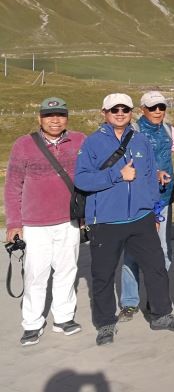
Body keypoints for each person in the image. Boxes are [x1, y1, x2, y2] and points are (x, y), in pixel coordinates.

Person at [74, 93, 174, 345]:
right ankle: (105, 324)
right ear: (104, 113)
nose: (120, 113)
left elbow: (150, 177)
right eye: (114, 110)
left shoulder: (141, 140)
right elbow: (81, 179)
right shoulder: (92, 143)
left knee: (156, 267)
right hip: (106, 221)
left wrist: (154, 210)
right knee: (103, 275)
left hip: (141, 218)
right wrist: (116, 174)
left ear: (131, 112)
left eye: (125, 109)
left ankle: (161, 315)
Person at [4, 98, 86, 346]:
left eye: (60, 115)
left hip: (69, 221)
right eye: (49, 115)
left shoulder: (79, 140)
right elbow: (13, 186)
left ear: (67, 118)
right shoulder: (24, 144)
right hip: (35, 223)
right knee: (35, 275)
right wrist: (14, 223)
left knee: (67, 271)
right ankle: (32, 323)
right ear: (40, 118)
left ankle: (63, 318)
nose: (55, 120)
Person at [118, 91, 174, 323]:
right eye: (152, 107)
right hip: (137, 201)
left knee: (163, 250)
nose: (158, 111)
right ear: (142, 109)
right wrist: (152, 174)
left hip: (163, 199)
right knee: (133, 251)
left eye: (161, 106)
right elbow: (124, 164)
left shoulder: (168, 130)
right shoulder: (131, 132)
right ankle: (129, 302)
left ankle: (156, 297)